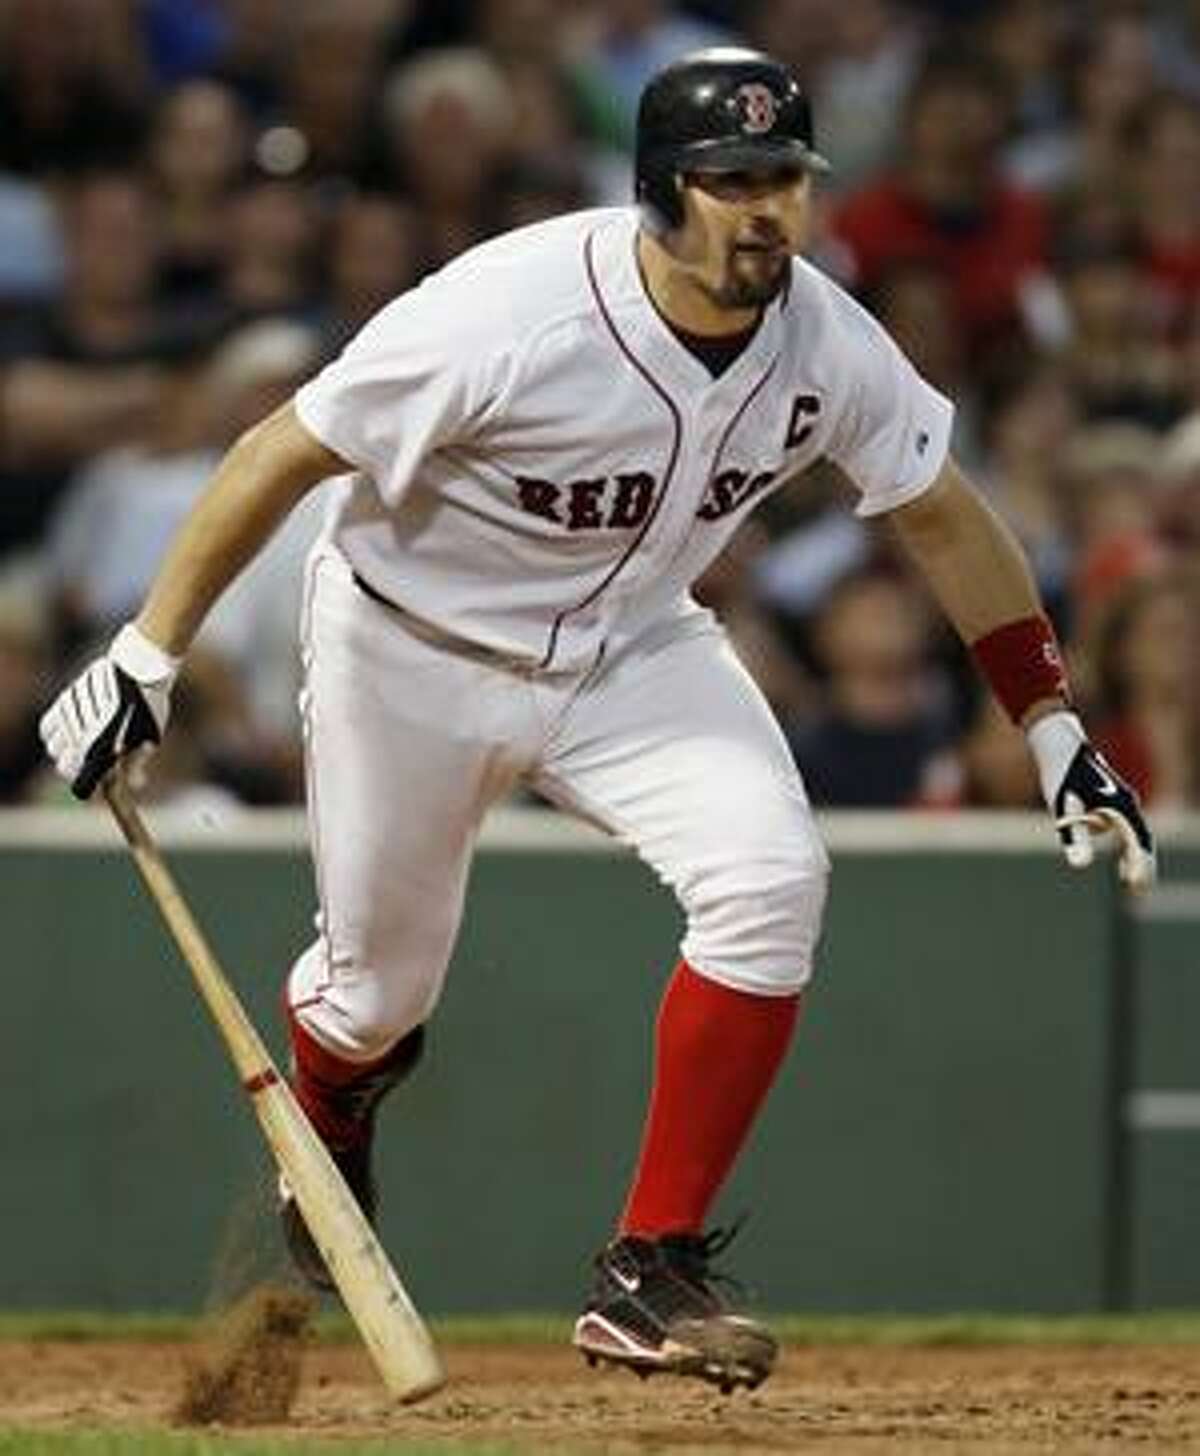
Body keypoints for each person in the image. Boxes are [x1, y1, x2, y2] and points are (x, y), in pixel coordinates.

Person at [39, 47, 1156, 1395]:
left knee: (770, 880)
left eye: (785, 180)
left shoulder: (823, 334)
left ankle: (651, 1269)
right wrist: (148, 654)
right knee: (378, 995)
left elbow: (938, 508)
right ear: (658, 195)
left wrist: (1048, 720)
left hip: (631, 647)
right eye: (730, 181)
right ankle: (333, 1101)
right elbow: (287, 444)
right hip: (410, 646)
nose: (765, 211)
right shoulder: (508, 315)